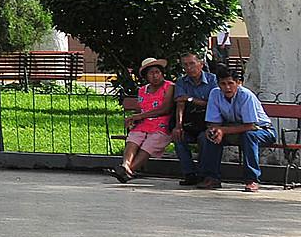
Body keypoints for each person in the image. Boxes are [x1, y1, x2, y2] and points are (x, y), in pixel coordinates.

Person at [198, 66, 277, 192]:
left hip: (262, 130)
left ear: (238, 83)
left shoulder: (246, 95)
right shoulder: (215, 93)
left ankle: (252, 179)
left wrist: (222, 131)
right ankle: (212, 177)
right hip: (234, 129)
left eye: (230, 83)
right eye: (223, 84)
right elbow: (214, 122)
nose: (227, 87)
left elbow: (250, 125)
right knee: (207, 136)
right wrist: (213, 130)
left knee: (249, 136)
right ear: (218, 84)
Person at [112, 58, 175, 182]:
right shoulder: (142, 90)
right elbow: (141, 109)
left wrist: (139, 116)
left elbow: (165, 109)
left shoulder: (169, 87)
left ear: (162, 73)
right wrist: (134, 119)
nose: (155, 76)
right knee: (133, 138)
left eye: (157, 72)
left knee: (150, 143)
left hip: (163, 124)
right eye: (151, 73)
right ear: (146, 76)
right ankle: (125, 165)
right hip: (145, 123)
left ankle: (128, 170)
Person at [171, 50, 218, 186]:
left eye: (192, 63)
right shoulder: (181, 82)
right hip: (189, 121)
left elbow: (213, 103)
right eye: (185, 65)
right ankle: (189, 174)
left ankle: (203, 174)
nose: (189, 68)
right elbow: (180, 103)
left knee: (205, 138)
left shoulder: (212, 80)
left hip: (208, 122)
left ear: (201, 64)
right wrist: (178, 126)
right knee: (179, 137)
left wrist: (190, 99)